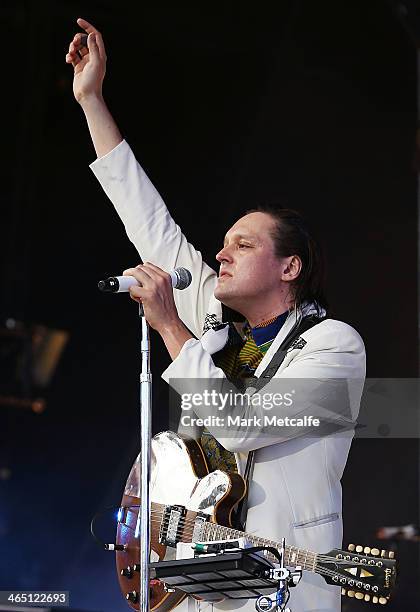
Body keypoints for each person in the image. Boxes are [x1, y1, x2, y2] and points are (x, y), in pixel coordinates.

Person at [66, 18, 366, 612]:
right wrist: (91, 100)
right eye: (222, 244)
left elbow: (244, 426)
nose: (220, 254)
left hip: (285, 593)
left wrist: (170, 327)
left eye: (244, 245)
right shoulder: (214, 319)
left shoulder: (335, 345)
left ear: (290, 268)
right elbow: (144, 216)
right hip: (203, 588)